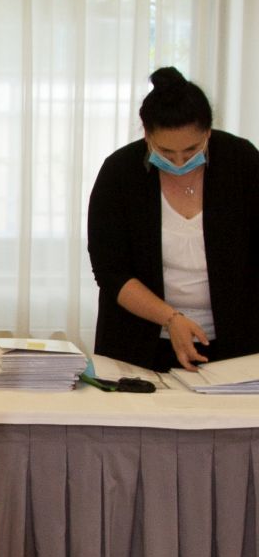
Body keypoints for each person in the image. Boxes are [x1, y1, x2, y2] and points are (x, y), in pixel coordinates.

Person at [87, 66, 259, 373]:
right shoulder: (120, 172)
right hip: (138, 344)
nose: (179, 162)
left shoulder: (242, 162)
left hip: (236, 344)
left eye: (191, 150)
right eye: (166, 152)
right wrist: (171, 318)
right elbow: (111, 271)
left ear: (208, 133)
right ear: (147, 135)